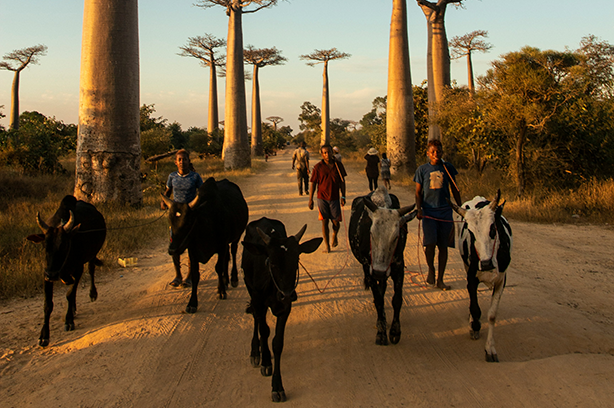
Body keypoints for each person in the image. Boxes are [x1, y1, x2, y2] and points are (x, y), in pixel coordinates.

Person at [414, 139, 462, 291]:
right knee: (429, 245)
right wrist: (419, 209)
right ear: (428, 154)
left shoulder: (448, 168)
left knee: (443, 246)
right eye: (433, 152)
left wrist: (460, 208)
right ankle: (431, 269)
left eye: (439, 151)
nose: (436, 154)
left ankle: (440, 279)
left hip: (445, 211)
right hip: (429, 212)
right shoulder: (422, 170)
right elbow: (417, 192)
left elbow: (455, 189)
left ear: (442, 152)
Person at [162, 149, 203, 287]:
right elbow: (167, 192)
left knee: (191, 245)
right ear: (175, 162)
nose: (182, 162)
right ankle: (178, 275)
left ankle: (190, 276)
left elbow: (201, 193)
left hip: (190, 215)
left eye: (184, 159)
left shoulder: (195, 177)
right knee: (175, 244)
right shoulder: (172, 177)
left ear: (188, 161)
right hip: (176, 216)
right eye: (179, 160)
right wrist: (163, 202)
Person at [309, 144, 347, 253]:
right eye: (324, 153)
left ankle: (334, 234)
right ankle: (327, 246)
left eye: (329, 152)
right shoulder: (318, 167)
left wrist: (343, 196)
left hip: (334, 197)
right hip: (322, 198)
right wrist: (310, 199)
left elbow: (342, 182)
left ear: (332, 152)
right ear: (321, 154)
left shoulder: (338, 166)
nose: (327, 154)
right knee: (324, 222)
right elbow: (313, 183)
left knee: (336, 222)